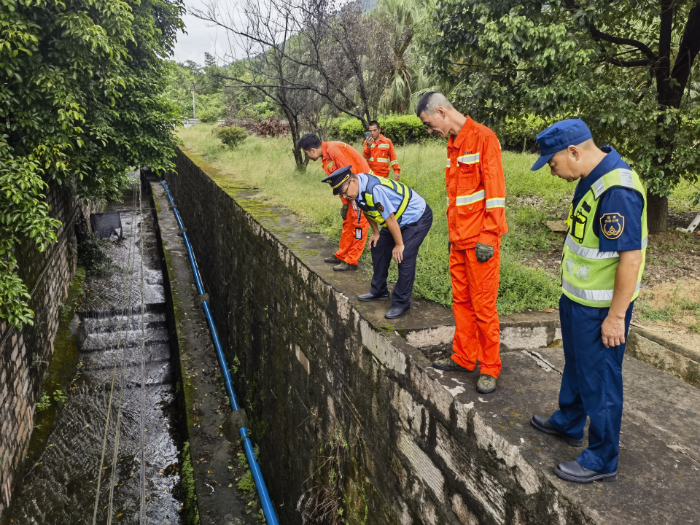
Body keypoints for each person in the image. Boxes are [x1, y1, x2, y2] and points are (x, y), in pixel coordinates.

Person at [528, 119, 647, 484]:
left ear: (574, 151)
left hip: (600, 309)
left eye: (553, 162)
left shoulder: (617, 190)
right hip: (578, 300)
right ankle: (569, 421)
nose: (553, 170)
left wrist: (615, 316)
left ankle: (602, 458)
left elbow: (630, 258)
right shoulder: (591, 178)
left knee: (602, 380)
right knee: (577, 366)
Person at [416, 92, 507, 394]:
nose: (431, 132)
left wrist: (489, 236)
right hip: (459, 241)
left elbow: (495, 193)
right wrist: (453, 238)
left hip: (480, 243)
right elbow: (457, 199)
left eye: (430, 124)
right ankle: (465, 357)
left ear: (441, 112)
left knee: (483, 306)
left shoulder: (483, 138)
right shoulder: (453, 145)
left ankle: (490, 367)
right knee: (462, 304)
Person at [321, 165, 432, 319]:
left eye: (344, 192)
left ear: (352, 181)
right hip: (397, 220)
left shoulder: (375, 190)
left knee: (404, 255)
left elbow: (390, 218)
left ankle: (401, 303)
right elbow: (366, 210)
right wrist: (376, 232)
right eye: (341, 195)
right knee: (377, 246)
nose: (345, 197)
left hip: (416, 218)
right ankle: (379, 291)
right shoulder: (357, 191)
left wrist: (399, 245)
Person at [297, 133, 370, 272]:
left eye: (306, 153)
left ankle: (351, 261)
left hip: (360, 190)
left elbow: (351, 175)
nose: (307, 156)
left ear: (312, 150)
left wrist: (355, 199)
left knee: (358, 223)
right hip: (350, 193)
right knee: (347, 221)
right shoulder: (326, 155)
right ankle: (342, 255)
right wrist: (345, 202)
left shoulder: (334, 150)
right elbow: (340, 181)